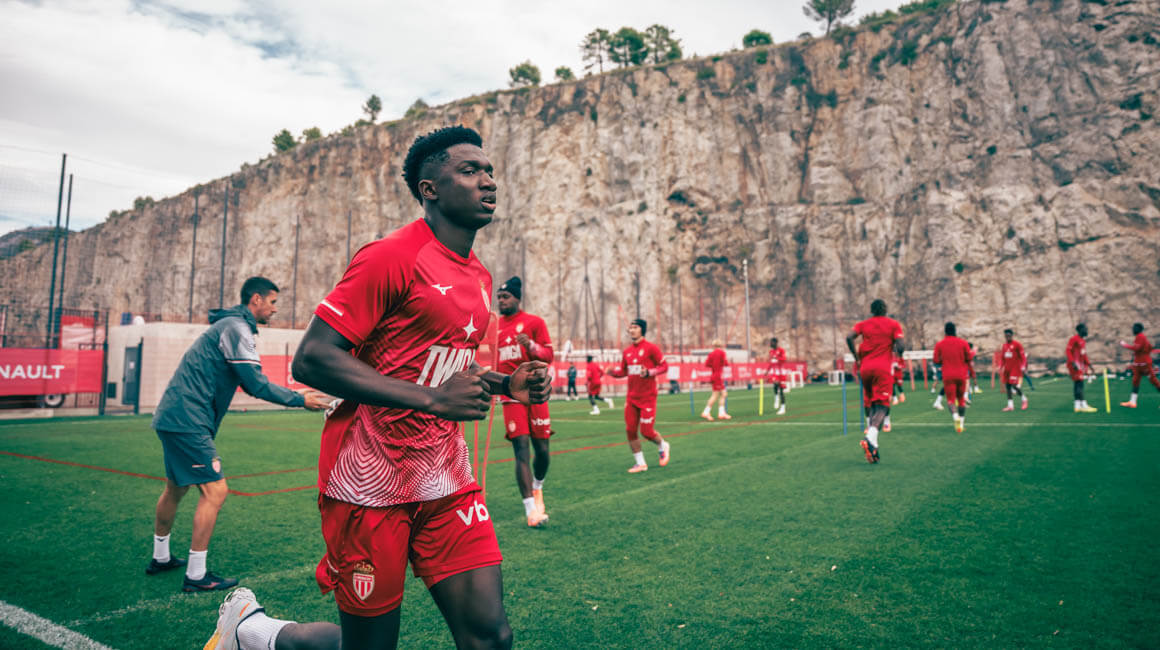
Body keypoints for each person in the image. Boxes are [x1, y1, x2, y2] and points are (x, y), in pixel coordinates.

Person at [205, 126, 551, 650]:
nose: (488, 181)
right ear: (430, 189)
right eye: (469, 170)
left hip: (446, 478)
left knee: (490, 637)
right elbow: (313, 358)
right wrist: (434, 400)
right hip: (368, 482)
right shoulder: (391, 256)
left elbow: (444, 368)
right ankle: (253, 630)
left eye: (489, 171)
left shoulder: (480, 277)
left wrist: (508, 384)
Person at [149, 277, 330, 593]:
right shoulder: (237, 328)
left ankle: (161, 557)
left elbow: (249, 382)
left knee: (176, 488)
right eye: (272, 302)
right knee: (215, 491)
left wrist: (294, 395)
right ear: (256, 299)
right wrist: (299, 400)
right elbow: (255, 384)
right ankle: (196, 575)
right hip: (187, 420)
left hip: (174, 416)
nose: (274, 309)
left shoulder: (229, 325)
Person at [495, 276, 554, 528]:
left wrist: (530, 345)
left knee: (542, 451)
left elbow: (548, 355)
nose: (501, 301)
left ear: (517, 298)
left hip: (536, 393)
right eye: (499, 297)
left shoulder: (534, 322)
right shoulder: (494, 328)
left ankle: (538, 486)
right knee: (521, 448)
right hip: (511, 396)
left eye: (506, 297)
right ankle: (531, 511)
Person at [608, 318, 671, 473]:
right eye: (630, 328)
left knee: (646, 432)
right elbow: (624, 371)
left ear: (642, 329)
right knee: (630, 430)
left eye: (635, 327)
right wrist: (612, 372)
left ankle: (663, 445)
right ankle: (640, 463)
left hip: (648, 397)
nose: (631, 330)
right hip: (631, 398)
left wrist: (649, 372)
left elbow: (664, 366)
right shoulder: (627, 352)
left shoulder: (651, 348)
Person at [846, 299, 904, 464]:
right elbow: (901, 345)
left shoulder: (863, 324)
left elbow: (849, 337)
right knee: (883, 406)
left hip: (865, 369)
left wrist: (856, 357)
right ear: (885, 310)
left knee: (872, 405)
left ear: (871, 310)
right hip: (882, 369)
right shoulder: (893, 324)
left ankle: (874, 447)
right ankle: (870, 438)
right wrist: (899, 353)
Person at [933, 322, 973, 433]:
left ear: (945, 331)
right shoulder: (963, 343)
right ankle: (961, 424)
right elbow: (969, 358)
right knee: (961, 400)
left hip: (948, 375)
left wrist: (944, 360)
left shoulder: (940, 344)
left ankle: (955, 417)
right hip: (961, 375)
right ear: (955, 331)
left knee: (951, 401)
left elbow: (936, 360)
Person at [1119, 323, 1160, 408]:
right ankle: (1132, 402)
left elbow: (1137, 348)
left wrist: (1125, 345)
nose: (1133, 330)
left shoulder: (1140, 337)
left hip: (1144, 364)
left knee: (1153, 381)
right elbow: (1149, 347)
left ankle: (1133, 402)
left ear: (1138, 329)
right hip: (1139, 364)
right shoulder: (1140, 337)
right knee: (1135, 381)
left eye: (1134, 328)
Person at [1067, 323, 1098, 413]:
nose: (1087, 331)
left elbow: (1083, 354)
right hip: (1074, 365)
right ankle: (1083, 405)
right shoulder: (1074, 339)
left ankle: (1077, 406)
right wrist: (1073, 362)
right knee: (1079, 384)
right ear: (1080, 330)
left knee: (1078, 384)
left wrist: (1089, 365)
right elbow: (1068, 350)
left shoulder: (1082, 341)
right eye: (1085, 329)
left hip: (1079, 365)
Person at [700, 339, 731, 420]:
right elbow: (725, 363)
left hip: (714, 375)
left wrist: (714, 365)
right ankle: (706, 412)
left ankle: (721, 413)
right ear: (721, 345)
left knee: (723, 394)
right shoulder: (722, 352)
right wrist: (722, 364)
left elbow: (707, 364)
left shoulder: (711, 354)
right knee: (715, 395)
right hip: (718, 376)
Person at [999, 329, 1029, 411]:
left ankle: (1024, 399)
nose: (1007, 337)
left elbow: (1023, 357)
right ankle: (1010, 406)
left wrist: (1023, 366)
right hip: (1007, 369)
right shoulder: (1004, 345)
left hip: (1015, 369)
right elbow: (1002, 358)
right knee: (1008, 387)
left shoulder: (1017, 344)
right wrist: (1001, 366)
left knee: (1014, 386)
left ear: (1012, 335)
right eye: (1006, 336)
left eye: (1009, 336)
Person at [766, 337, 788, 415]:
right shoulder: (771, 352)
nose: (770, 344)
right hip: (775, 372)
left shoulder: (781, 350)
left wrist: (777, 357)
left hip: (781, 372)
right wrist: (767, 371)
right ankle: (776, 398)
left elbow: (784, 359)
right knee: (775, 384)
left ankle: (783, 408)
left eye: (771, 342)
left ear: (775, 343)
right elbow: (771, 362)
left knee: (781, 390)